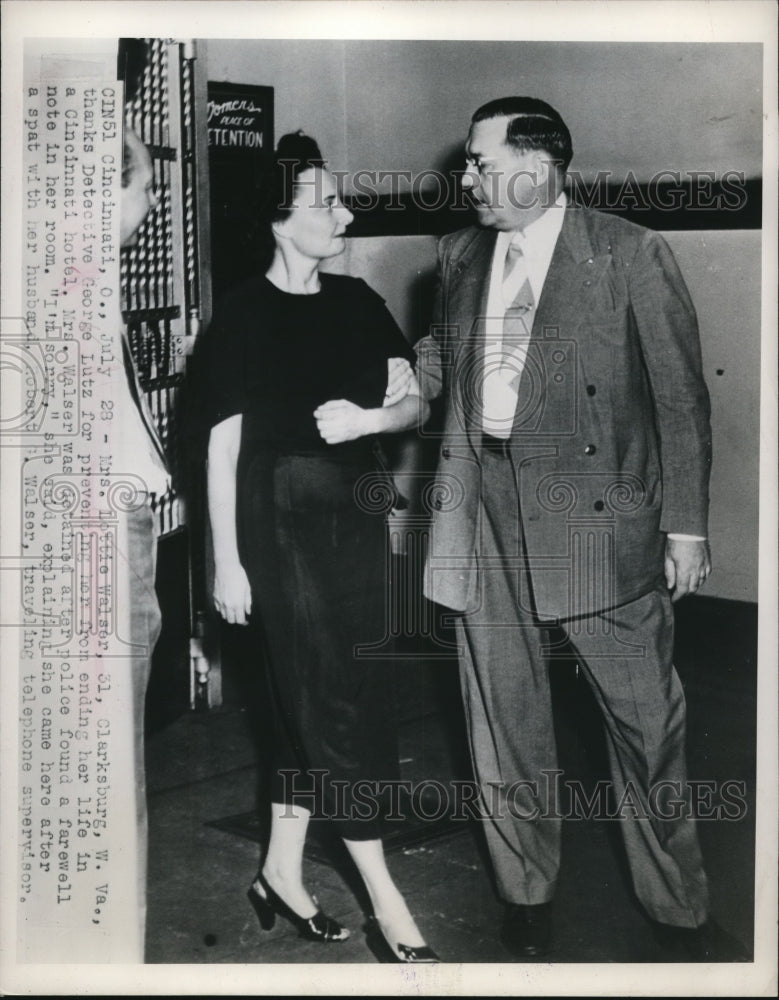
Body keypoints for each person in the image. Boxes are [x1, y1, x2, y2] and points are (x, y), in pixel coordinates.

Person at [414, 96, 747, 961]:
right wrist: (392, 380)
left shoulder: (627, 251)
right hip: (484, 507)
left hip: (598, 516)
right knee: (503, 719)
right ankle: (525, 890)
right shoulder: (455, 255)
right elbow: (439, 359)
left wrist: (684, 528)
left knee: (646, 725)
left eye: (482, 163)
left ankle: (675, 906)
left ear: (539, 165)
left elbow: (679, 395)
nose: (467, 178)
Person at [202, 132, 438, 963]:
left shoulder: (356, 301)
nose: (343, 212)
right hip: (279, 521)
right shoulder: (241, 315)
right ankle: (387, 902)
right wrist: (224, 561)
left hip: (356, 517)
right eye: (324, 201)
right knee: (334, 702)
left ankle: (278, 873)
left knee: (336, 691)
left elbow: (413, 405)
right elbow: (222, 448)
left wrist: (372, 420)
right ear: (277, 221)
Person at [117, 125, 168, 957]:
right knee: (113, 750)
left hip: (129, 520)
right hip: (104, 539)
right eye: (144, 184)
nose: (155, 200)